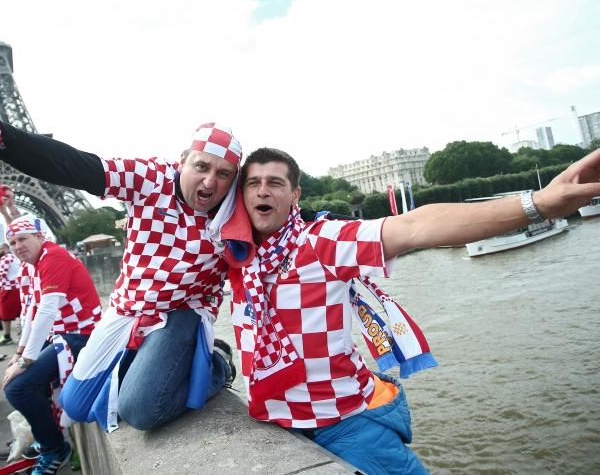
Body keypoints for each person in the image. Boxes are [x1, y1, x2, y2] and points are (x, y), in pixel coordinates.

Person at [226, 147, 600, 475]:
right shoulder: (236, 255)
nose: (262, 190)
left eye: (275, 183)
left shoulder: (321, 241)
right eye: (253, 183)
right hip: (276, 423)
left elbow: (416, 226)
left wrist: (538, 204)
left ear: (295, 194)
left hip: (343, 425)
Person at [0, 83, 237, 431]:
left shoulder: (234, 208)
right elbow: (74, 165)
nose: (209, 182)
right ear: (181, 162)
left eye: (223, 174)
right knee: (75, 405)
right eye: (201, 166)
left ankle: (217, 363)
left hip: (181, 314)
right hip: (128, 309)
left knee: (140, 411)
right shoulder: (151, 178)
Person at [1, 216, 103, 475]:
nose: (17, 246)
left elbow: (46, 312)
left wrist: (25, 361)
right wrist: (20, 353)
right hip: (65, 335)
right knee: (21, 383)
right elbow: (33, 313)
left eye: (22, 239)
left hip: (81, 336)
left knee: (17, 388)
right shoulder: (39, 261)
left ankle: (53, 448)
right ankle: (49, 438)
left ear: (39, 237)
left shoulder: (53, 257)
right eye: (12, 243)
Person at [0, 241, 22, 347]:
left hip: (8, 289)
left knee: (4, 314)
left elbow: (1, 274)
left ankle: (7, 336)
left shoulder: (5, 258)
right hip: (16, 287)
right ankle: (22, 334)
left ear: (4, 249)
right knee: (19, 312)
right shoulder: (14, 257)